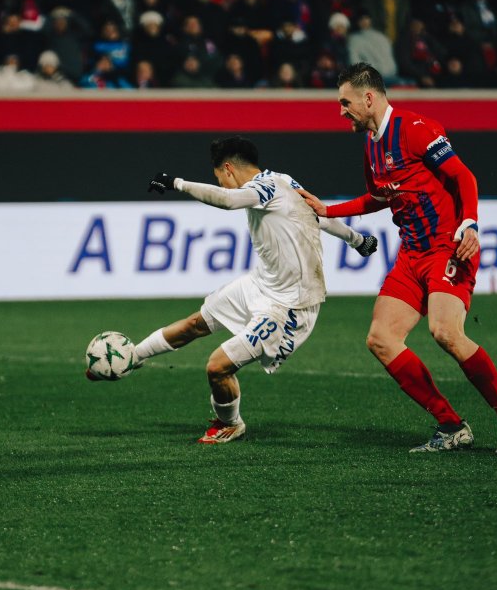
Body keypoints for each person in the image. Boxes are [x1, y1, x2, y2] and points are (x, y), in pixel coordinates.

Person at [296, 63, 497, 455]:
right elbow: (379, 197)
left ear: (368, 97)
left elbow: (464, 177)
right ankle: (450, 425)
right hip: (410, 254)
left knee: (445, 333)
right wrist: (329, 211)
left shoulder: (415, 128)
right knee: (381, 339)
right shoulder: (371, 145)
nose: (341, 110)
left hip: (448, 246)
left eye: (345, 102)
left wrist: (470, 225)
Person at [89, 136, 377, 445]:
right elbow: (317, 215)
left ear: (228, 169)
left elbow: (227, 201)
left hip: (288, 305)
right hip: (261, 283)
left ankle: (230, 423)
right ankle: (134, 357)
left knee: (217, 367)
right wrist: (356, 240)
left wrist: (177, 183)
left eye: (220, 179)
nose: (223, 186)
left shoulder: (263, 189)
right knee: (196, 323)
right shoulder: (283, 181)